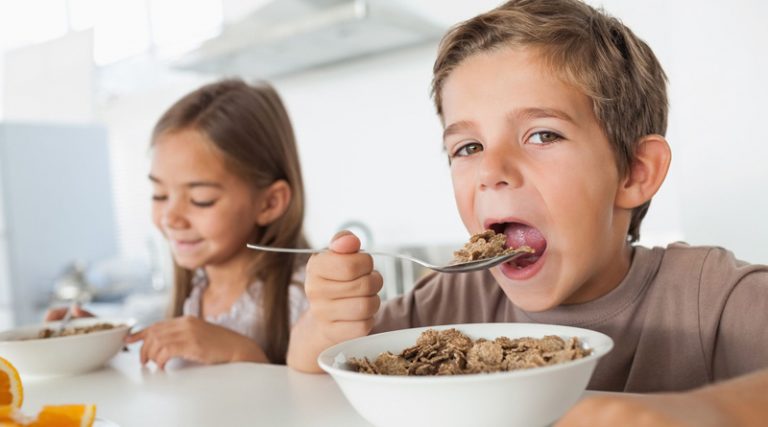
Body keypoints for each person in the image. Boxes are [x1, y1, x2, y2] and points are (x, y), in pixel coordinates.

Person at [287, 0, 768, 425]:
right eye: (469, 146)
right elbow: (310, 369)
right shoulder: (449, 302)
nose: (491, 170)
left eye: (542, 135)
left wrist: (709, 412)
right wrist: (328, 324)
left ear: (634, 172)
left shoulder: (713, 299)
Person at [50, 78, 310, 367]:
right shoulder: (195, 292)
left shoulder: (305, 298)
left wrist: (242, 353)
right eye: (160, 195)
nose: (169, 217)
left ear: (270, 203)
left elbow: (319, 405)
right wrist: (103, 341)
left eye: (201, 199)